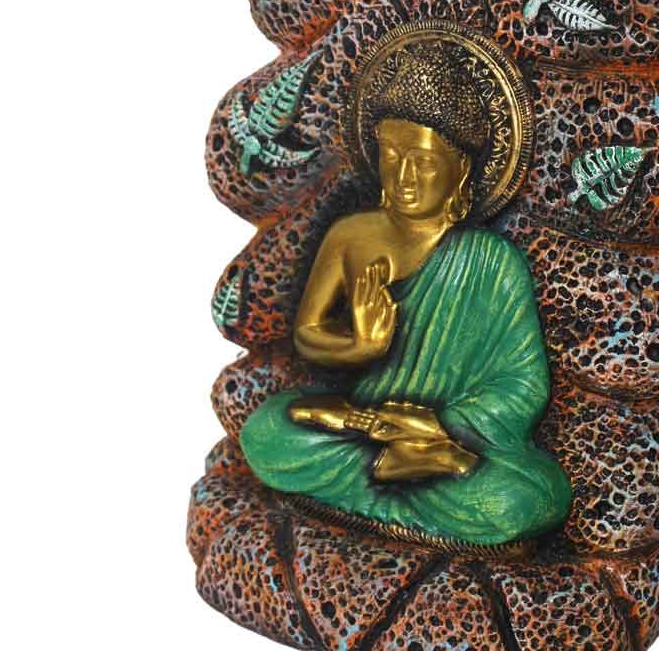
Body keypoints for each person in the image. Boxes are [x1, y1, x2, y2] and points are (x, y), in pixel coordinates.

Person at [240, 42, 571, 545]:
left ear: (461, 168)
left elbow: (522, 384)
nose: (405, 176)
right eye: (391, 157)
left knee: (529, 499)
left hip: (443, 436)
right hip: (363, 426)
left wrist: (439, 425)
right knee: (267, 433)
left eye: (424, 160)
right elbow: (308, 333)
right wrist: (359, 347)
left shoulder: (492, 261)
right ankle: (402, 481)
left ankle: (417, 471)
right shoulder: (351, 235)